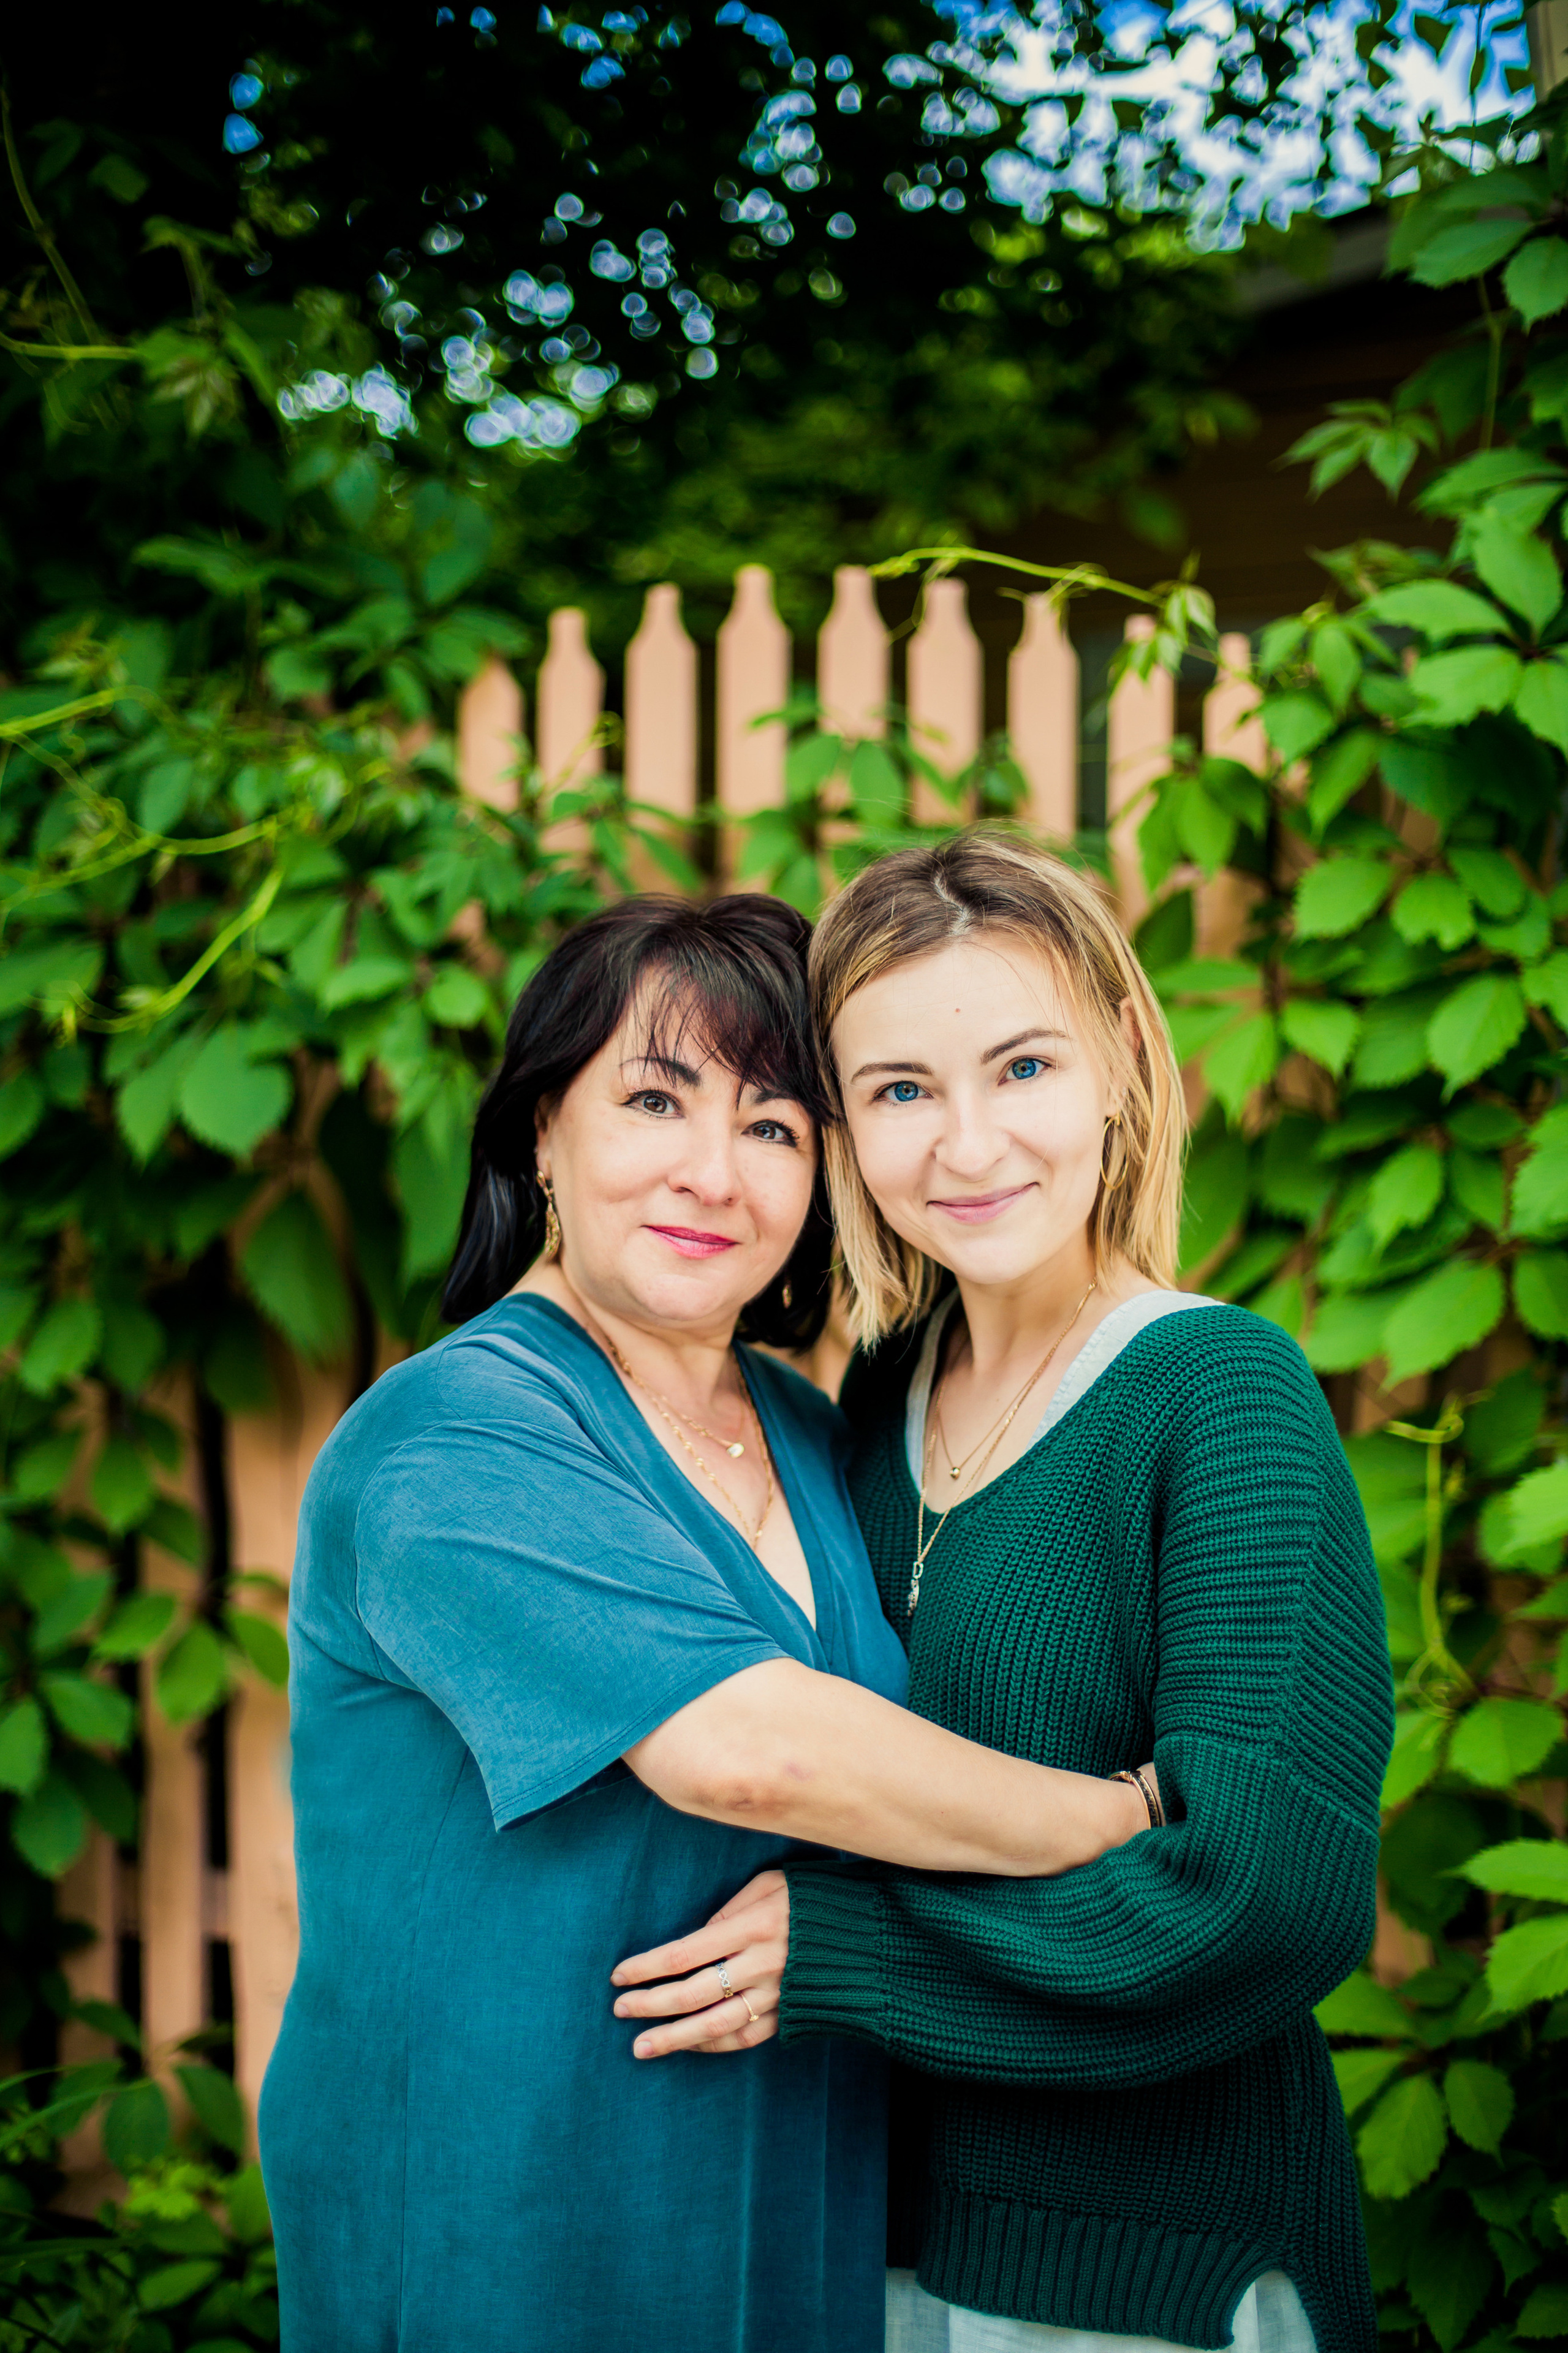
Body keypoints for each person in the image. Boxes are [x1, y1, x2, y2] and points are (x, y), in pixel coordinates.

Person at [259, 892, 1156, 2353]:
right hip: (515, 2207)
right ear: (541, 1135)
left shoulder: (817, 1434)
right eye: (653, 1101)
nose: (710, 1174)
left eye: (773, 1127)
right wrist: (1123, 1822)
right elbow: (752, 1756)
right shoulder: (451, 1439)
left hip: (789, 2183)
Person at [612, 842, 1393, 2353]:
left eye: (1021, 1066)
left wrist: (847, 1955)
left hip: (1145, 2262)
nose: (965, 1145)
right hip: (875, 2239)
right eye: (899, 1091)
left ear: (1114, 1059)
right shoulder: (881, 1396)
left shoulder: (1217, 1396)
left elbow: (1264, 1900)